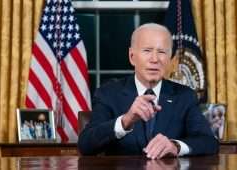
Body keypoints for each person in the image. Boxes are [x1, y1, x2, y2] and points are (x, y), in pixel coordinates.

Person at [78, 23, 219, 159]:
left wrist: (175, 146)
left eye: (162, 52)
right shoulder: (108, 94)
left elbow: (209, 142)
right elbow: (85, 145)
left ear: (169, 59)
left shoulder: (184, 96)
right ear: (132, 57)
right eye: (147, 51)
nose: (155, 59)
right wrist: (126, 121)